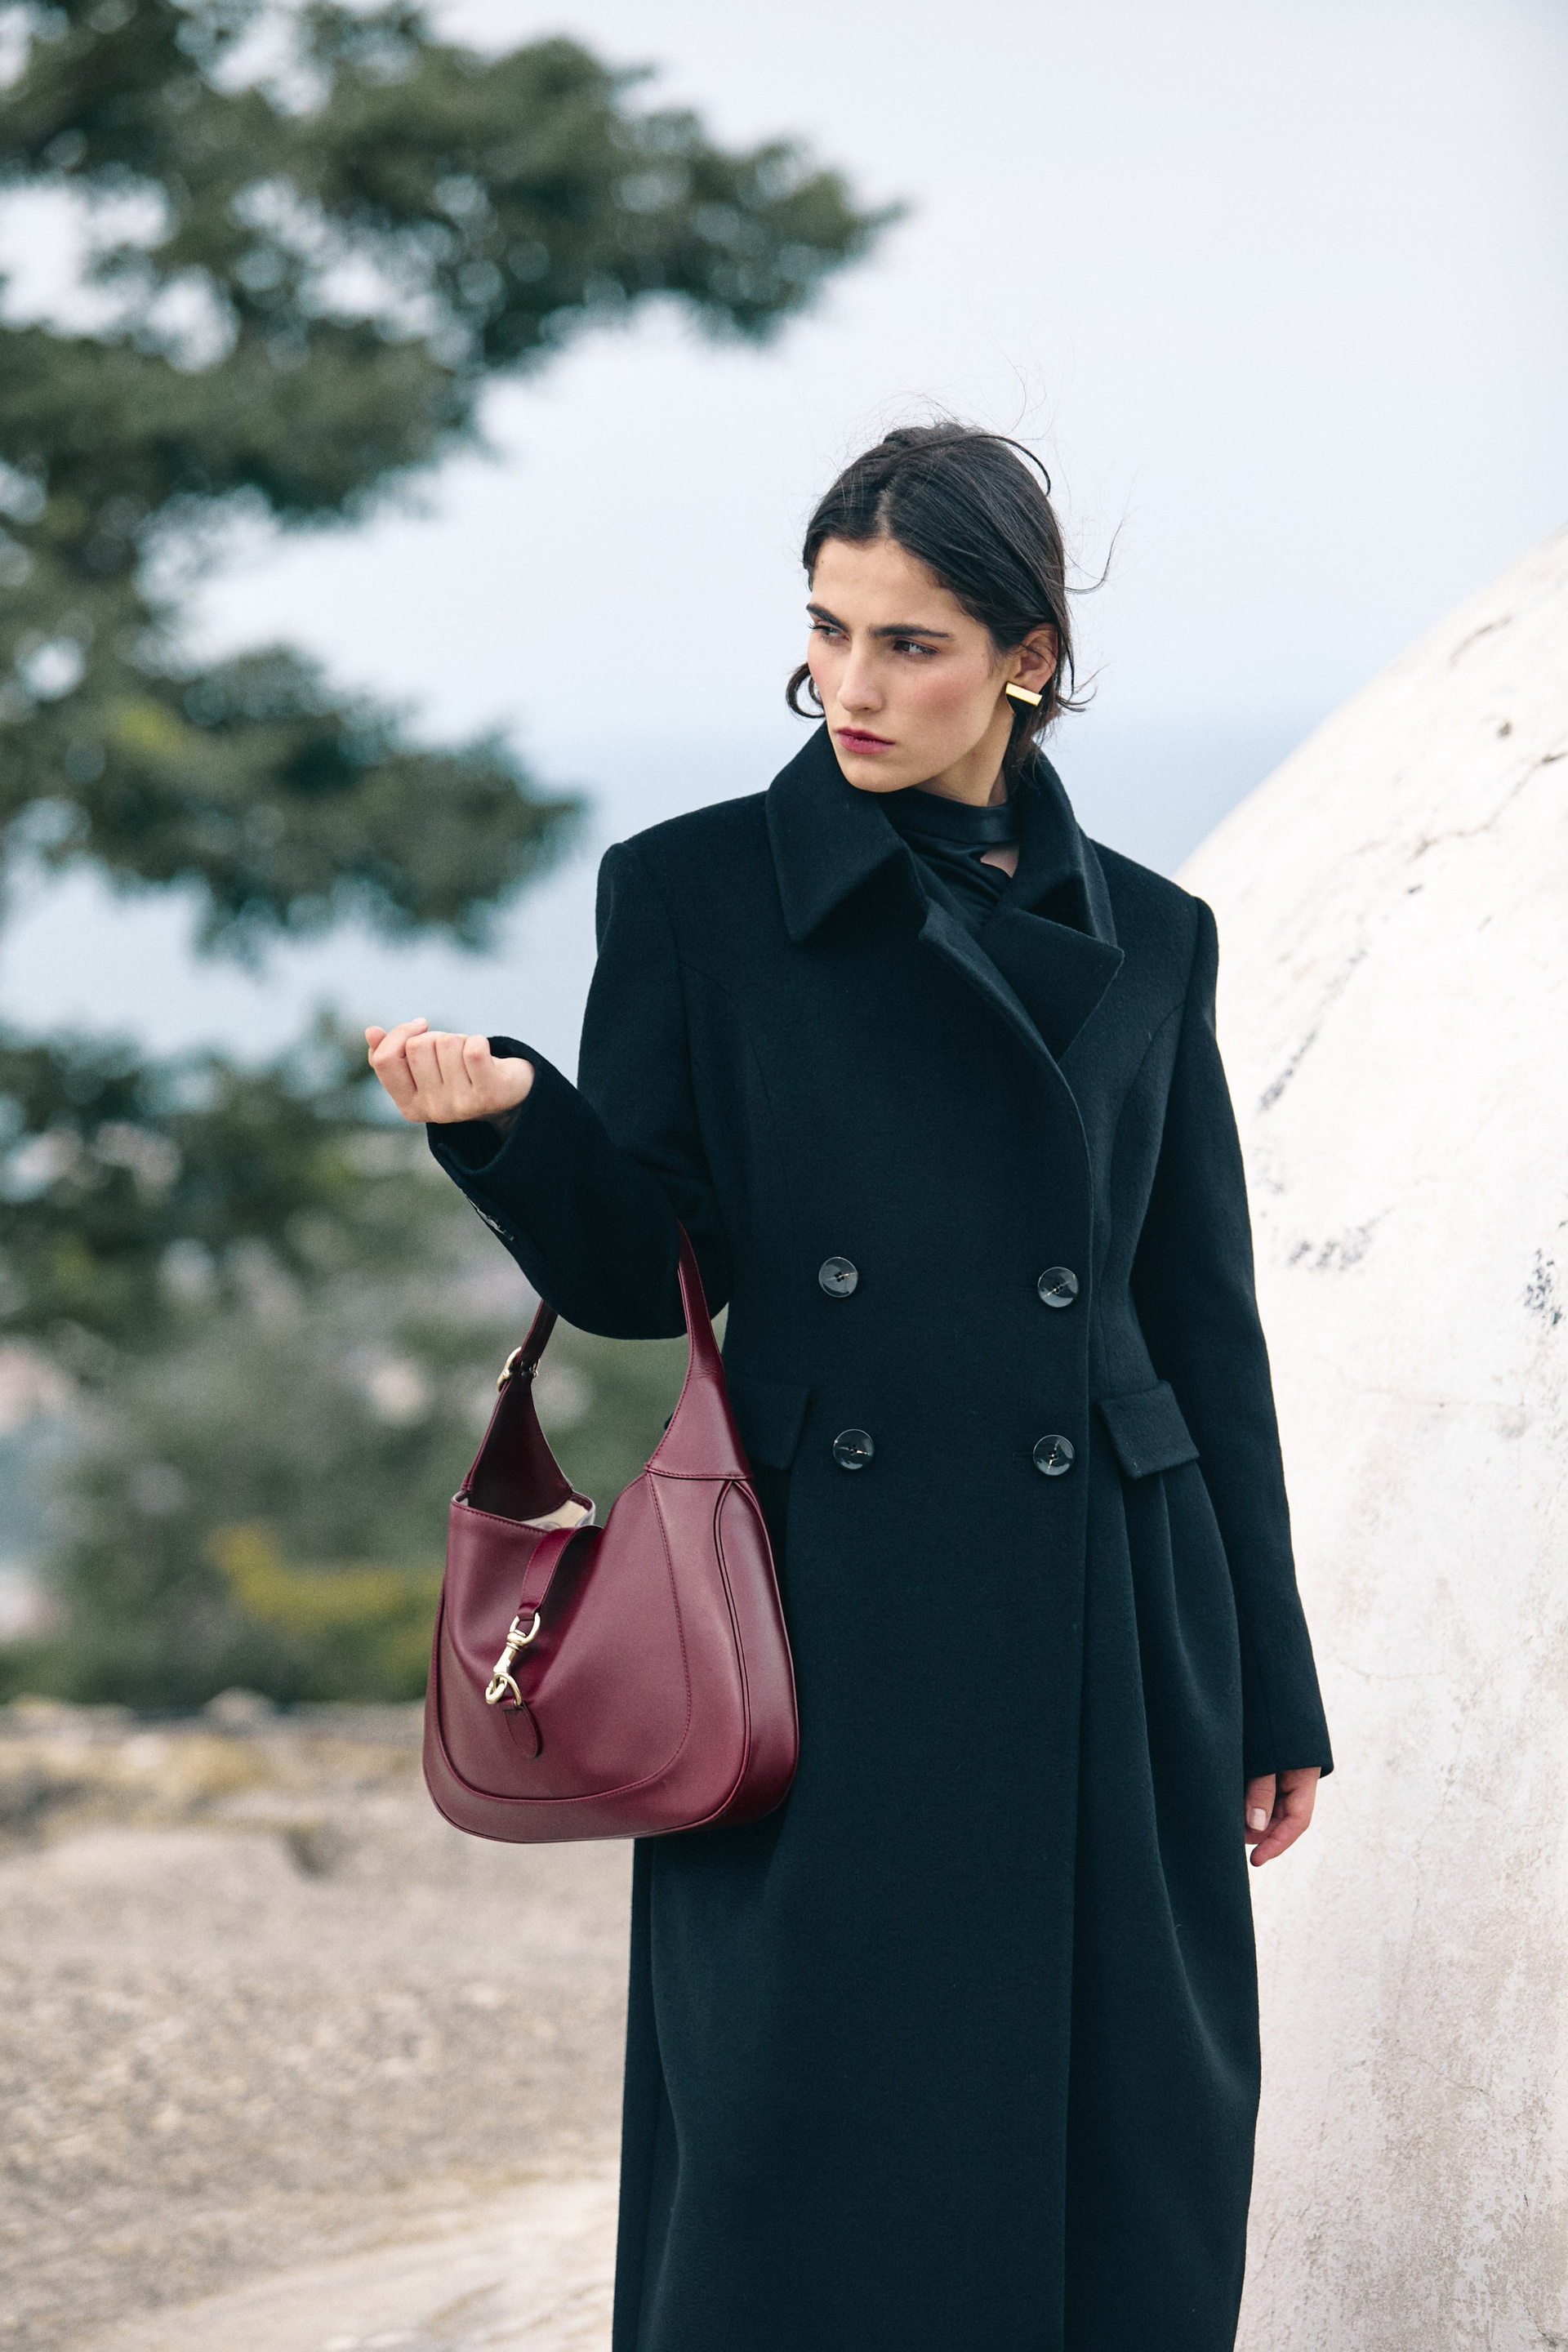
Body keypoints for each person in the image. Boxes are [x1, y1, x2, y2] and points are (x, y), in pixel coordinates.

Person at [367, 422, 1332, 2352]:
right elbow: (643, 1277)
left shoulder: (1158, 936)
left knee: (1126, 2138)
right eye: (827, 632)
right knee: (803, 2140)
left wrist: (1269, 1680)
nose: (852, 687)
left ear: (1028, 660)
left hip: (1111, 1614)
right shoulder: (696, 895)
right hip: (824, 1618)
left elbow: (1200, 1318)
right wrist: (514, 1130)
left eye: (910, 645)